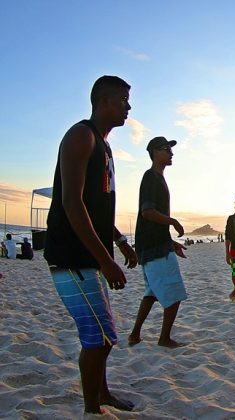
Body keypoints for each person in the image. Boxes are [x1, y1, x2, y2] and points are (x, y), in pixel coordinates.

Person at [44, 75, 137, 415]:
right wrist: (106, 261)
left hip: (91, 258)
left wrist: (120, 242)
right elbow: (71, 203)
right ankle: (91, 409)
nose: (129, 106)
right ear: (104, 101)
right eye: (124, 99)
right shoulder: (81, 136)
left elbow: (96, 205)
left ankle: (102, 394)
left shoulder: (105, 145)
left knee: (104, 336)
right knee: (98, 337)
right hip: (73, 258)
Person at [128, 136, 189, 349]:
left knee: (151, 292)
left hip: (154, 244)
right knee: (174, 293)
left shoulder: (159, 178)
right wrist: (173, 221)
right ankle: (164, 339)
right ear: (155, 152)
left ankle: (134, 335)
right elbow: (147, 212)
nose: (171, 153)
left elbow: (154, 221)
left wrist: (171, 242)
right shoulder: (151, 177)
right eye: (166, 149)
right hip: (153, 248)